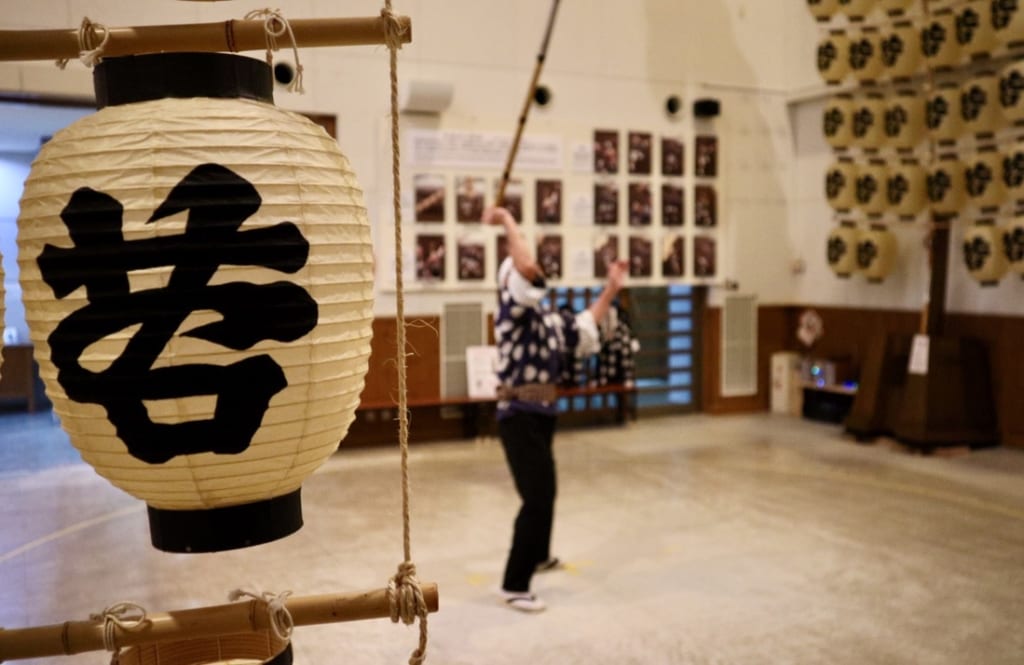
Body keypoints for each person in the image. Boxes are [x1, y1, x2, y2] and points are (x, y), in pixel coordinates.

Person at [482, 205, 627, 613]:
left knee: (547, 490)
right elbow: (527, 265)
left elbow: (586, 324)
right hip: (518, 416)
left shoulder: (546, 319)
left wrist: (612, 287)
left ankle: (539, 555)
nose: (531, 272)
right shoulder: (513, 313)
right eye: (521, 273)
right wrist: (508, 221)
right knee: (538, 495)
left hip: (542, 414)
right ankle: (514, 584)